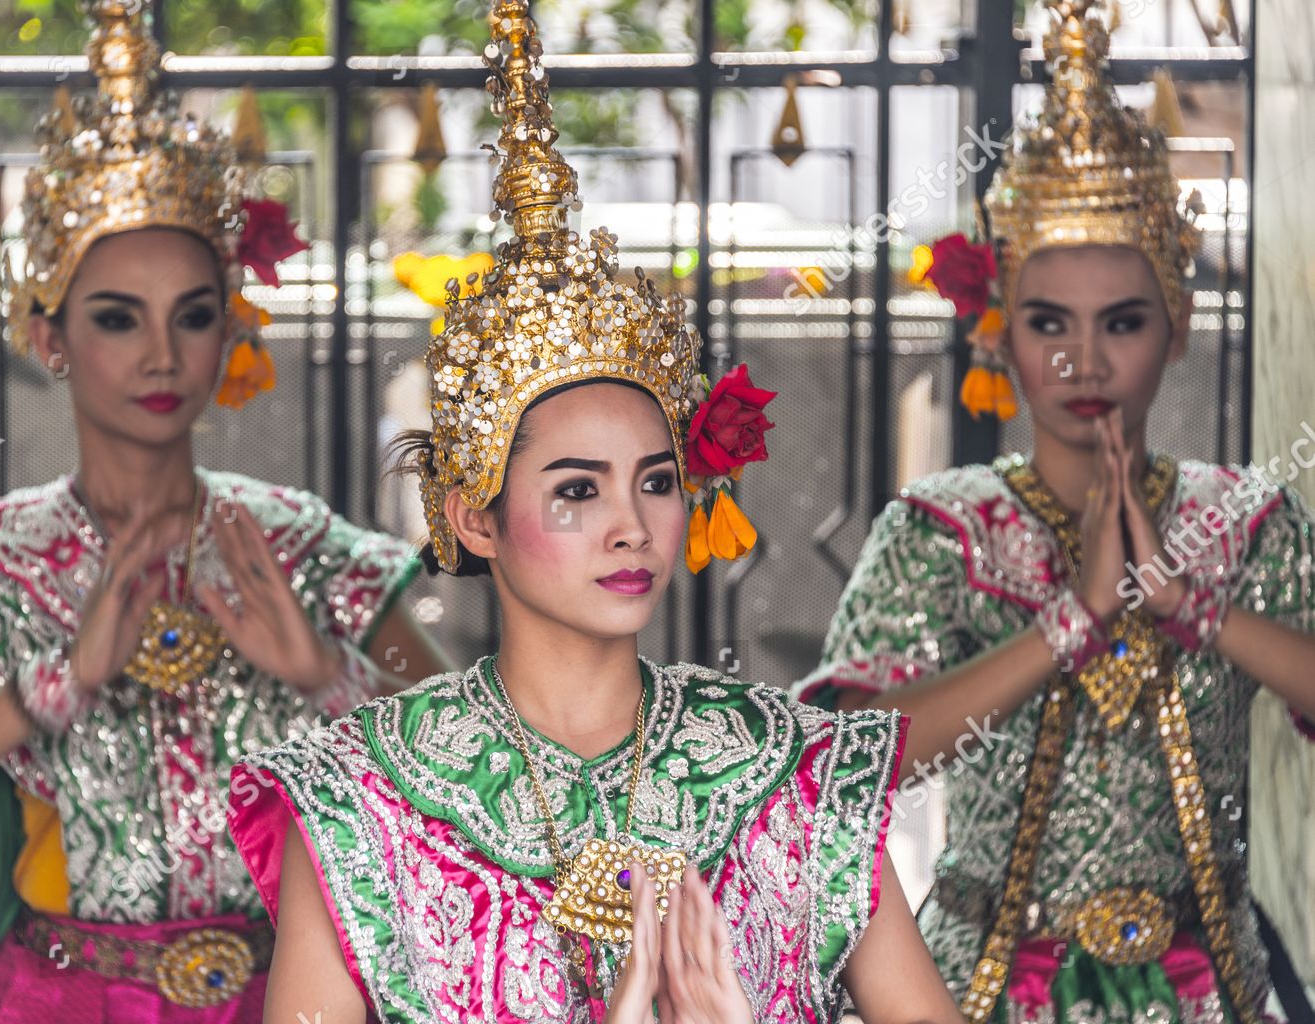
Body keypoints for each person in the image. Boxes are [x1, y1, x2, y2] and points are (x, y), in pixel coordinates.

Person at [222, 3, 965, 1023]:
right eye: (577, 489)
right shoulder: (362, 803)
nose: (633, 525)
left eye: (656, 480)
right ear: (472, 518)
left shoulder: (791, 774)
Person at [0, 3, 447, 1020]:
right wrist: (53, 686)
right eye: (118, 318)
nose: (162, 354)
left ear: (226, 334)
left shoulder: (303, 550)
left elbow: (473, 771)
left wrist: (324, 675)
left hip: (287, 993)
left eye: (193, 316)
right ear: (51, 337)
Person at [797, 3, 1315, 1024]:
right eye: (1050, 325)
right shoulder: (941, 528)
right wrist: (1068, 626)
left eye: (1123, 322)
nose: (1085, 361)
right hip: (982, 984)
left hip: (1208, 986)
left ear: (1179, 325)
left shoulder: (1247, 518)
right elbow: (851, 768)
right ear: (1003, 335)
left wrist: (1190, 607)